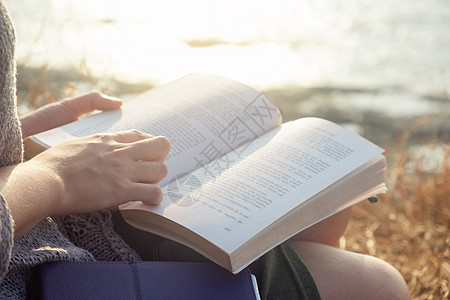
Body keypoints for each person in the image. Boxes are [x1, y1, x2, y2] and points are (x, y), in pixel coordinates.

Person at [0, 1, 410, 299]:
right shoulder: (52, 184)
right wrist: (53, 176)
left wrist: (15, 138)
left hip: (38, 207)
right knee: (378, 285)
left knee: (327, 202)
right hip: (42, 264)